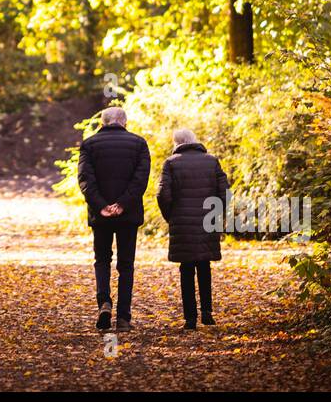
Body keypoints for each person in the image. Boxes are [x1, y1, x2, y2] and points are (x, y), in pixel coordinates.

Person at [77, 106, 150, 331]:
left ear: (103, 122)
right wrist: (123, 204)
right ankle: (124, 317)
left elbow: (85, 179)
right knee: (126, 265)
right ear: (124, 122)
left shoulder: (89, 144)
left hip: (101, 216)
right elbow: (140, 179)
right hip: (128, 214)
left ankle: (104, 302)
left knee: (102, 260)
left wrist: (101, 206)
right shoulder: (139, 143)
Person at [157, 127, 229, 329]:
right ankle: (207, 313)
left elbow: (162, 194)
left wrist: (170, 216)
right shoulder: (211, 161)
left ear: (176, 143)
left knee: (186, 269)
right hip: (208, 221)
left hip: (182, 222)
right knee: (204, 266)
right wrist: (216, 214)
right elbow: (225, 191)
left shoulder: (171, 163)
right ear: (194, 140)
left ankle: (190, 318)